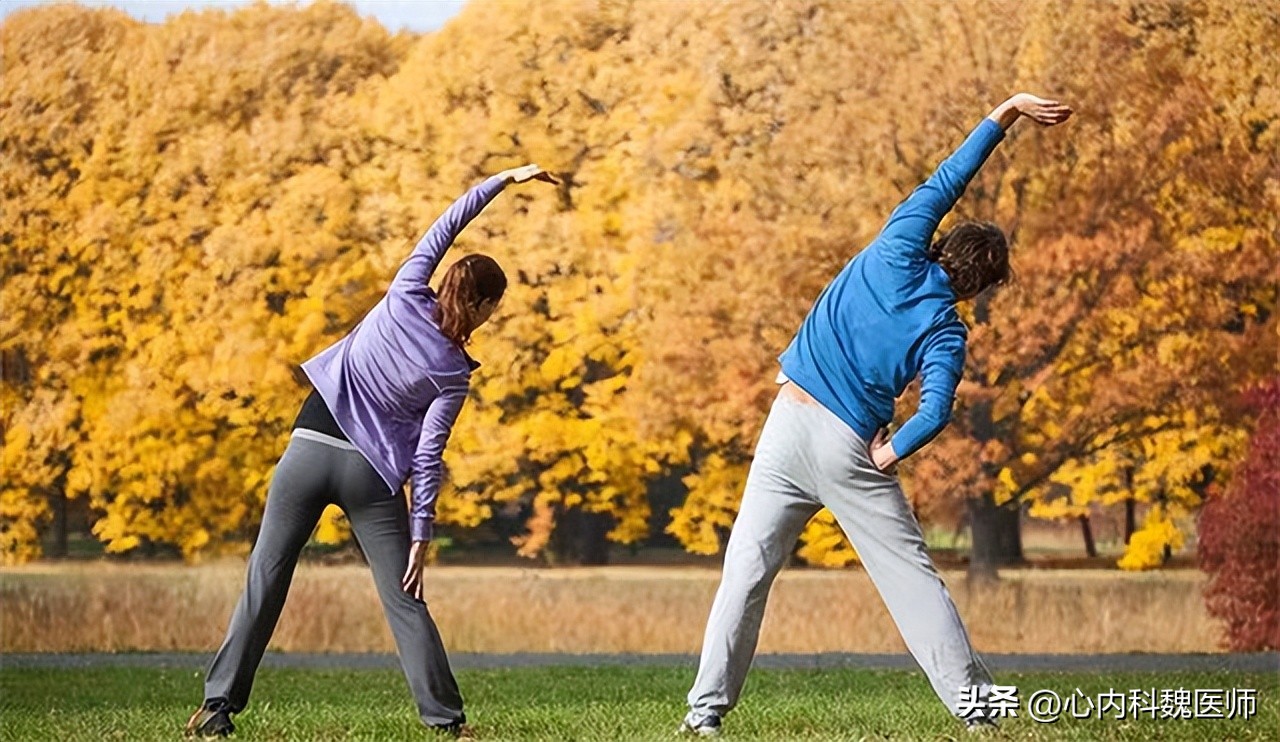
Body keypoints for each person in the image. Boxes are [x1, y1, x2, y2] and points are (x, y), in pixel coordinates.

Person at [678, 93, 1073, 737]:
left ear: (944, 240)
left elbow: (951, 174)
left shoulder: (899, 244)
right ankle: (977, 710)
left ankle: (704, 715)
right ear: (977, 286)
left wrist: (1007, 111)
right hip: (848, 447)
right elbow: (935, 411)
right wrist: (889, 455)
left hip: (786, 425)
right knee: (911, 581)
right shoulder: (946, 329)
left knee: (745, 577)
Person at [185, 164, 557, 739]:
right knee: (404, 597)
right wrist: (421, 536)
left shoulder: (406, 288)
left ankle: (215, 709)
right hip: (369, 473)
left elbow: (448, 223)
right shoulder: (453, 372)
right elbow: (428, 459)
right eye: (493, 310)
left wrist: (502, 180)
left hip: (308, 447)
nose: (491, 319)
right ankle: (447, 723)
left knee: (266, 574)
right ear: (482, 306)